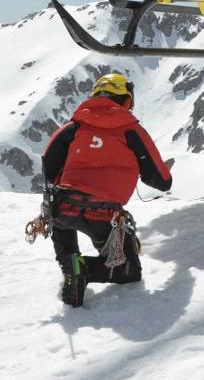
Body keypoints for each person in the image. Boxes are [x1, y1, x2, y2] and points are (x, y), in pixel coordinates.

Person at [40, 72, 173, 307]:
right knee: (128, 271)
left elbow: (49, 162)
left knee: (60, 218)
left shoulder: (73, 127)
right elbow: (161, 181)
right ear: (125, 100)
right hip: (104, 215)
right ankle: (86, 270)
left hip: (64, 208)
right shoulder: (131, 131)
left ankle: (72, 267)